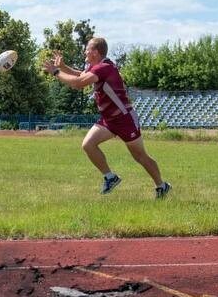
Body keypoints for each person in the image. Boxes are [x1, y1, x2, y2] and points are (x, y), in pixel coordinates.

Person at [45, 36, 171, 198]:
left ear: (95, 52)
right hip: (109, 119)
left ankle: (162, 186)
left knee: (140, 156)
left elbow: (78, 83)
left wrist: (56, 72)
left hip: (124, 119)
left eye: (87, 49)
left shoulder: (103, 68)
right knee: (88, 145)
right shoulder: (98, 66)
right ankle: (110, 177)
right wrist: (63, 67)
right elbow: (80, 75)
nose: (85, 51)